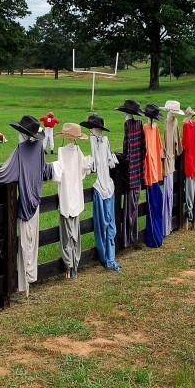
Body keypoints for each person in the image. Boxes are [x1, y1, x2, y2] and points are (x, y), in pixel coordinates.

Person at [0, 115, 52, 297]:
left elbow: (5, 171)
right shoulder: (39, 149)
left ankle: (24, 283)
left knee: (25, 245)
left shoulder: (20, 150)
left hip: (25, 203)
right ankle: (29, 280)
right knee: (32, 244)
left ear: (23, 134)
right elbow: (44, 171)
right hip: (36, 201)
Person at [50, 123, 93, 280]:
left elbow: (58, 172)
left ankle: (69, 265)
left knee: (66, 232)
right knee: (75, 230)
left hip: (66, 195)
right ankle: (73, 264)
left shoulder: (62, 151)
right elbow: (84, 167)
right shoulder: (77, 151)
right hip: (76, 194)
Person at [80, 113, 121, 271]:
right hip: (105, 185)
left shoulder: (103, 141)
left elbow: (97, 164)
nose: (91, 131)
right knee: (106, 224)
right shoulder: (96, 140)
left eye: (91, 128)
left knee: (107, 224)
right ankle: (108, 257)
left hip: (106, 186)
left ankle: (109, 257)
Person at [116, 99, 145, 248]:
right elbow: (143, 148)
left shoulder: (127, 125)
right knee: (135, 205)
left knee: (127, 209)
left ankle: (127, 238)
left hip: (129, 173)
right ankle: (134, 236)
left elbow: (127, 150)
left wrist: (120, 157)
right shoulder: (140, 125)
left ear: (127, 113)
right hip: (139, 172)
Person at [159, 100, 184, 238]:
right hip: (170, 159)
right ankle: (166, 226)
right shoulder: (173, 122)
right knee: (167, 194)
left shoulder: (171, 122)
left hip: (167, 160)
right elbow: (178, 145)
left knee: (167, 194)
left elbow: (176, 143)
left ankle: (165, 226)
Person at [142, 103, 165, 248]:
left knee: (155, 204)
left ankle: (154, 237)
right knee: (155, 205)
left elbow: (157, 148)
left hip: (153, 172)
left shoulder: (151, 129)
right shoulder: (148, 129)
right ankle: (153, 238)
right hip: (152, 173)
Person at [182, 107, 195, 230]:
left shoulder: (185, 126)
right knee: (194, 192)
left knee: (189, 192)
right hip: (194, 160)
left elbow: (184, 144)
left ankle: (189, 215)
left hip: (188, 161)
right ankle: (194, 218)